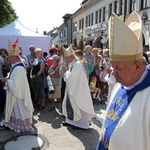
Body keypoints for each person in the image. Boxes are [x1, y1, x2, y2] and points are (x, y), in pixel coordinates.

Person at [97, 11, 150, 150]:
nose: (113, 72)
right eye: (112, 66)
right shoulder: (122, 83)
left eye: (118, 68)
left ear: (137, 66)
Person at [0, 39, 34, 133]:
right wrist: (8, 78)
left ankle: (22, 126)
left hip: (18, 95)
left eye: (10, 57)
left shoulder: (19, 68)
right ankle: (13, 123)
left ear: (15, 57)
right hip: (15, 94)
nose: (9, 59)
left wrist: (7, 80)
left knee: (19, 110)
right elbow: (12, 76)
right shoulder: (16, 65)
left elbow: (16, 86)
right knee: (15, 110)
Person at [61, 45, 95, 129]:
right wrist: (68, 71)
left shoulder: (77, 64)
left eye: (67, 57)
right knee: (71, 105)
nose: (66, 59)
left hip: (79, 91)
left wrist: (66, 71)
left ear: (71, 56)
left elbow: (72, 77)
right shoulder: (73, 64)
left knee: (79, 105)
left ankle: (82, 124)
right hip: (73, 89)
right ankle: (71, 121)